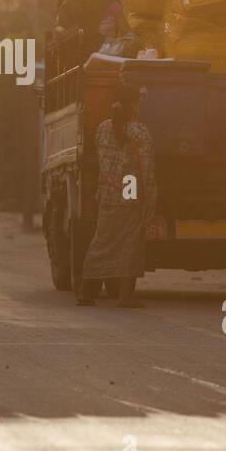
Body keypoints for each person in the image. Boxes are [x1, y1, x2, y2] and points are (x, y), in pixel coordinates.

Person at [77, 84, 156, 308]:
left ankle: (85, 292)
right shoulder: (140, 132)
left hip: (108, 194)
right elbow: (147, 170)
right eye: (138, 102)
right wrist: (151, 198)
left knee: (101, 241)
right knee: (131, 244)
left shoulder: (102, 129)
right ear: (132, 104)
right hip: (130, 193)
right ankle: (125, 296)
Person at [53, 0, 128, 60]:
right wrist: (62, 32)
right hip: (75, 50)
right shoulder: (70, 2)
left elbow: (125, 30)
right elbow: (59, 25)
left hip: (104, 51)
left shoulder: (111, 2)